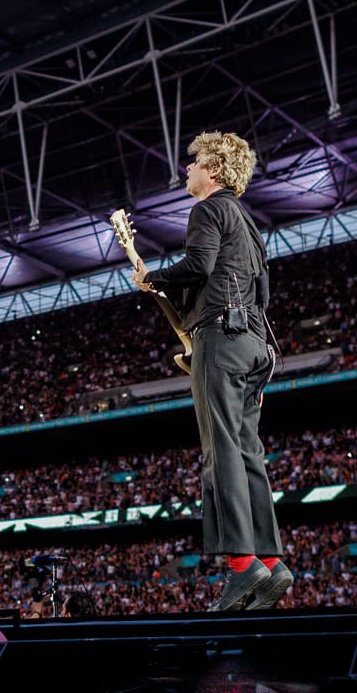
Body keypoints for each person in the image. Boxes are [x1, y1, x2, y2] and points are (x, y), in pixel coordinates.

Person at [130, 131, 292, 611]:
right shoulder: (249, 222)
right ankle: (272, 562)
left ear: (215, 171)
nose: (187, 168)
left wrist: (152, 277)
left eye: (194, 161)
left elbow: (199, 265)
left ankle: (242, 569)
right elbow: (259, 296)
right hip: (257, 346)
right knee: (248, 455)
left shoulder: (207, 209)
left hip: (221, 340)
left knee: (219, 453)